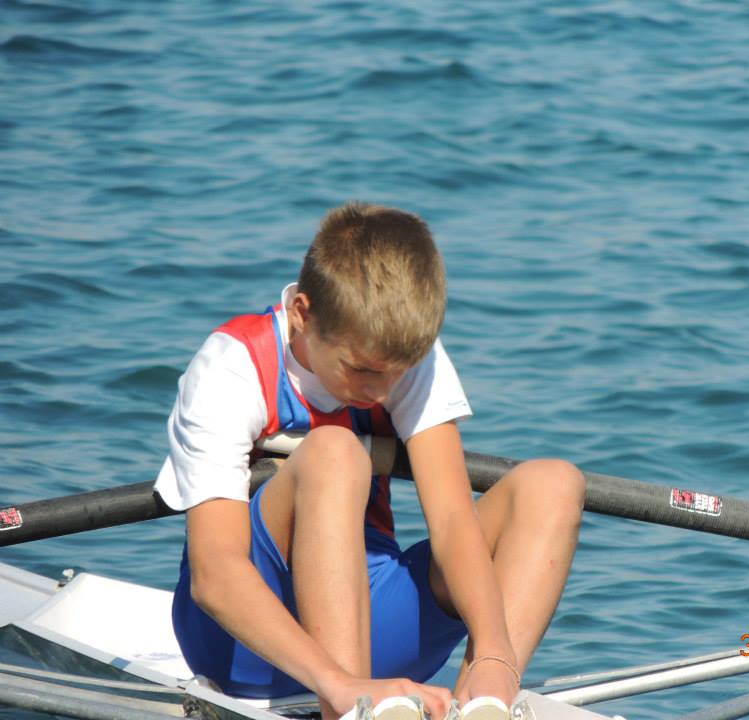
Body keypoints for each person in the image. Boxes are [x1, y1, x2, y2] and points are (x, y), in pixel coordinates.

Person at [154, 202, 585, 720]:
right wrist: (338, 683)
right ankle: (350, 705)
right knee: (336, 451)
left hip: (378, 618)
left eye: (397, 373)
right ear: (303, 315)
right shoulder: (231, 368)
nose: (381, 391)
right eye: (361, 370)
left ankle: (487, 693)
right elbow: (216, 574)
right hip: (242, 644)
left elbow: (452, 520)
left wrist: (494, 649)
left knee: (554, 484)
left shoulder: (404, 354)